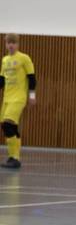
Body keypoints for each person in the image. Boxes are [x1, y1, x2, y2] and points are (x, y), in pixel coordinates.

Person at [0, 33, 36, 169]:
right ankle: (12, 157)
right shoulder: (4, 60)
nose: (10, 45)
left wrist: (32, 95)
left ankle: (15, 158)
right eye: (8, 42)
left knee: (8, 124)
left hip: (18, 97)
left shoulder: (24, 58)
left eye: (13, 42)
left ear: (18, 44)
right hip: (7, 98)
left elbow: (32, 77)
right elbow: (1, 80)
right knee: (9, 126)